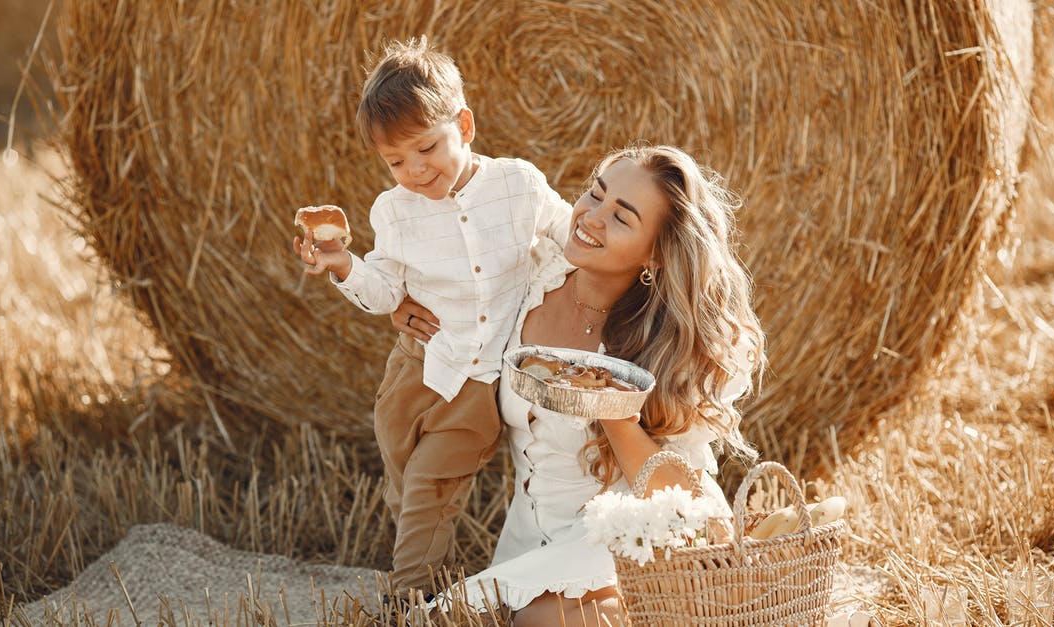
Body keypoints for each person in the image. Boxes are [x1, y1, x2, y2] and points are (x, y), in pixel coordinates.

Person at [393, 144, 765, 625]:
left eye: (621, 217)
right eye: (596, 193)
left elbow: (683, 498)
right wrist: (399, 301)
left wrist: (616, 412)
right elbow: (445, 241)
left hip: (626, 540)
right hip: (528, 548)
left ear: (655, 253)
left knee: (555, 622)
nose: (590, 216)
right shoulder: (529, 278)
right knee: (440, 620)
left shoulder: (672, 347)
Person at [291, 37, 571, 601]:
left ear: (464, 126)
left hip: (477, 379)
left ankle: (409, 599)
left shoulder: (518, 184)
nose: (415, 170)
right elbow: (385, 287)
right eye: (396, 161)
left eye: (427, 148)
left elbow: (572, 238)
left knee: (430, 485)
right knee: (404, 485)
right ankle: (433, 567)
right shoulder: (392, 210)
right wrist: (345, 265)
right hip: (412, 372)